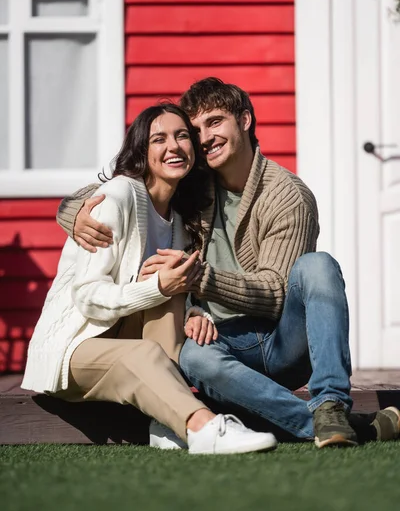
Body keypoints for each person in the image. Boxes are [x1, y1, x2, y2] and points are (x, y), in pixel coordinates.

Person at [56, 80, 400, 448]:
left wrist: (199, 280)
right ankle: (341, 427)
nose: (204, 138)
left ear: (245, 120)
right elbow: (116, 185)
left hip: (283, 342)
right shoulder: (192, 182)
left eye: (215, 122)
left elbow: (277, 294)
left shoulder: (288, 195)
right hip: (220, 343)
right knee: (194, 358)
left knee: (318, 266)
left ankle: (331, 403)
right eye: (196, 129)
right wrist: (74, 213)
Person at [21, 103, 278, 455]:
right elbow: (88, 295)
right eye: (159, 139)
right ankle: (204, 428)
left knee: (172, 279)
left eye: (182, 136)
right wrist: (157, 287)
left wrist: (193, 313)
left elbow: (166, 293)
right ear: (143, 151)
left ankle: (163, 421)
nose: (173, 146)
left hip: (122, 333)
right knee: (144, 347)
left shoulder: (177, 221)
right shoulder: (118, 197)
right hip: (74, 348)